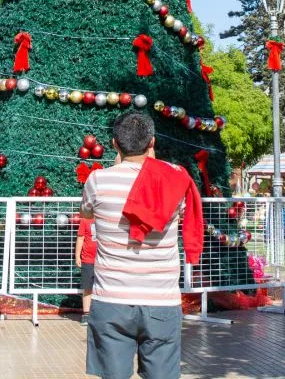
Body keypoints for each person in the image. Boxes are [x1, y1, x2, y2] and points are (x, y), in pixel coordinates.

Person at [80, 112, 203, 379]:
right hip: (161, 302)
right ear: (152, 143)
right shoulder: (174, 180)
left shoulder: (98, 181)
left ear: (114, 144)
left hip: (111, 300)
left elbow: (88, 215)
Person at [75, 212, 98, 325]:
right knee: (87, 286)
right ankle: (86, 313)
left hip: (103, 260)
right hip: (88, 259)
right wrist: (77, 255)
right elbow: (80, 238)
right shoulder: (85, 220)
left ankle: (101, 313)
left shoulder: (104, 218)